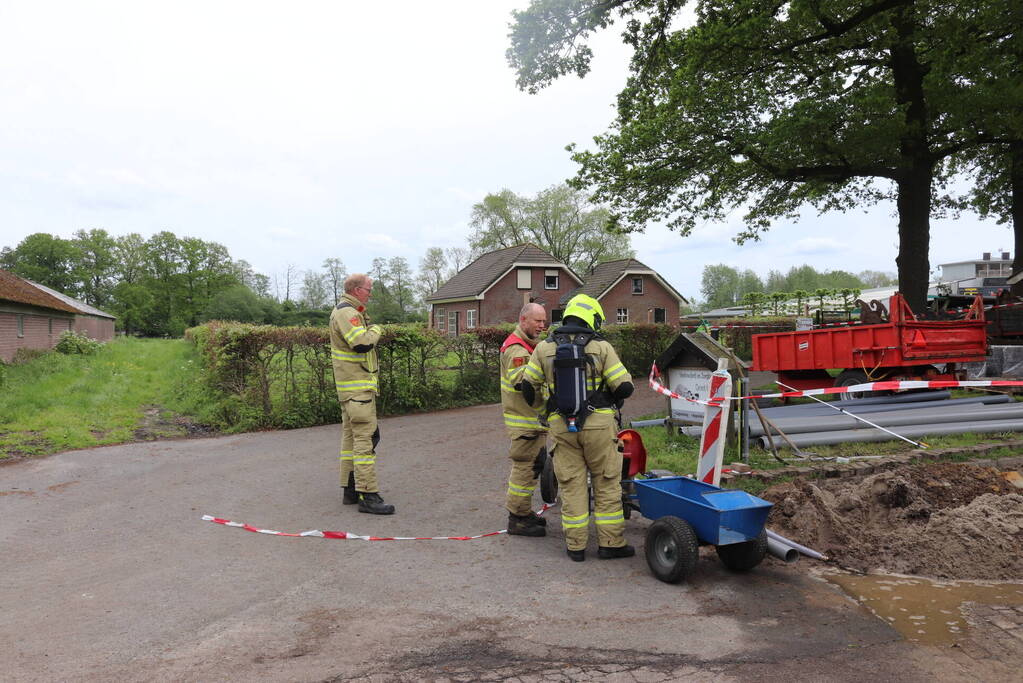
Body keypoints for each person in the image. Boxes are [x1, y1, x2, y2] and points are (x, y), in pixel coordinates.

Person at [520, 294, 635, 561]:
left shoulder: (544, 348)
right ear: (592, 318)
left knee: (571, 485)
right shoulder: (602, 347)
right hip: (599, 427)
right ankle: (610, 544)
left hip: (561, 427)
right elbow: (625, 386)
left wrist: (546, 412)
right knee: (606, 483)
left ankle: (575, 547)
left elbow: (527, 387)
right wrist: (609, 403)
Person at [329, 273, 394, 515]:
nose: (370, 292)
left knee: (351, 441)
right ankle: (368, 494)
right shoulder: (348, 313)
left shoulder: (348, 310)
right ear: (357, 290)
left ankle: (350, 489)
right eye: (368, 289)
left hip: (351, 389)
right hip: (357, 389)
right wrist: (376, 329)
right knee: (366, 440)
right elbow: (362, 343)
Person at [499, 302, 549, 537]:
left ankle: (523, 511)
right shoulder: (517, 349)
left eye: (543, 321)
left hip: (531, 421)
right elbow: (524, 382)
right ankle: (517, 519)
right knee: (524, 468)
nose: (542, 325)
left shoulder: (529, 345)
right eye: (537, 321)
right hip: (524, 423)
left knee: (534, 465)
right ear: (523, 320)